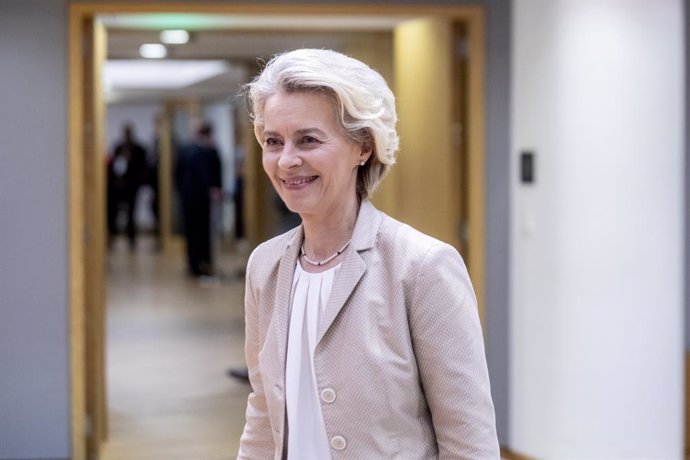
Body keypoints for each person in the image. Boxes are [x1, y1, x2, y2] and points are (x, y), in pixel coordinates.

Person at [237, 49, 499, 459]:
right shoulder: (265, 266)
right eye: (273, 141)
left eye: (308, 139)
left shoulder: (422, 267)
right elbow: (262, 411)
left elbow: (468, 438)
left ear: (363, 146)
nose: (287, 160)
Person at [175, 120, 223, 278]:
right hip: (199, 200)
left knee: (194, 233)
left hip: (190, 199)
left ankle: (196, 264)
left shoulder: (188, 151)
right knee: (199, 232)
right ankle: (200, 264)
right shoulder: (204, 152)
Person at [107, 122, 148, 249]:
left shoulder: (139, 149)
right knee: (114, 212)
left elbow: (142, 168)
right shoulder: (118, 147)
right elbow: (114, 166)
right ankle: (112, 236)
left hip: (132, 186)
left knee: (131, 213)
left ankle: (131, 239)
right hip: (118, 187)